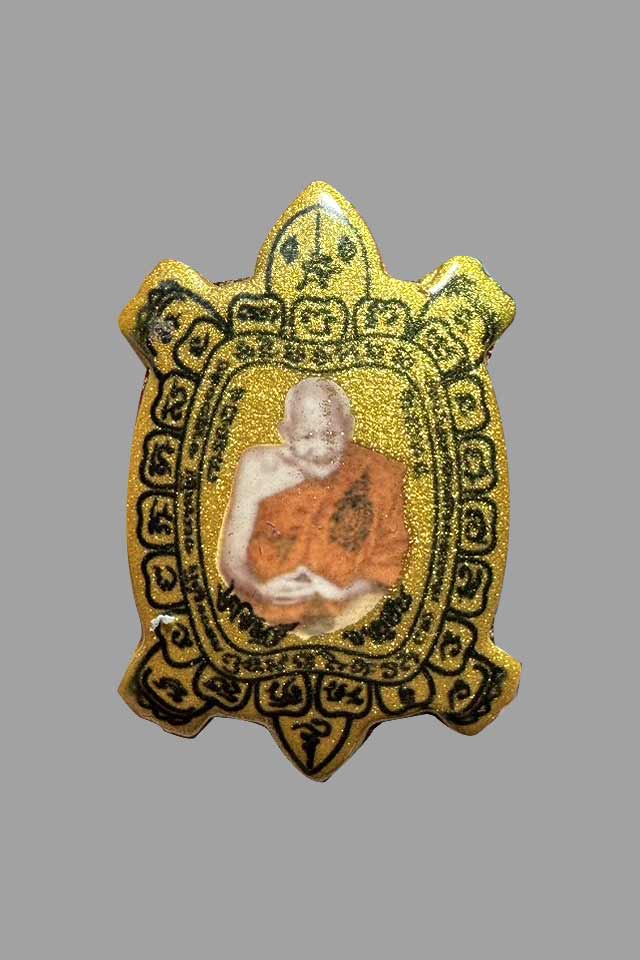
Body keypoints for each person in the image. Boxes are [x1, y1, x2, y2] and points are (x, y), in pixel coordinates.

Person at [218, 378, 409, 634]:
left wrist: (341, 593)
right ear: (286, 433)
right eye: (306, 436)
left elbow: (389, 569)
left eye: (330, 435)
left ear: (349, 428)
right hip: (265, 621)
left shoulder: (379, 476)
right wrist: (261, 589)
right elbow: (232, 560)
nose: (320, 450)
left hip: (342, 622)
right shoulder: (260, 468)